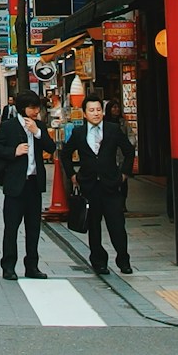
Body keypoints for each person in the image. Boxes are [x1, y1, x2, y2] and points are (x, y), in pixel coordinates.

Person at [0, 89, 54, 281]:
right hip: (15, 185)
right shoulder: (9, 127)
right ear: (23, 108)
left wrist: (37, 132)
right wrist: (13, 151)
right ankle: (8, 266)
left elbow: (51, 147)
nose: (35, 111)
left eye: (37, 108)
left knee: (33, 229)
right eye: (32, 108)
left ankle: (32, 266)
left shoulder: (39, 126)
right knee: (11, 227)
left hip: (34, 184)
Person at [61, 88, 133, 275]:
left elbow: (128, 151)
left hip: (111, 185)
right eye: (91, 110)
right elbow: (65, 154)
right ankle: (99, 261)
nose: (96, 113)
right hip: (89, 186)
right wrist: (72, 175)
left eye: (98, 110)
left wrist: (124, 174)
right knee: (94, 227)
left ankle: (123, 259)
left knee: (117, 225)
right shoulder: (78, 132)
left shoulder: (112, 129)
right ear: (84, 113)